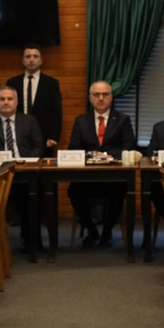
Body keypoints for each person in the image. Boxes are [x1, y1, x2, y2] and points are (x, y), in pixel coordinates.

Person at [0, 87, 45, 258]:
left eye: (9, 99)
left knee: (33, 197)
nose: (6, 102)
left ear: (16, 102)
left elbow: (38, 146)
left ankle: (32, 243)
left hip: (25, 172)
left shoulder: (29, 121)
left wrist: (25, 162)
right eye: (2, 99)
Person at [68, 80, 136, 247]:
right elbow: (73, 149)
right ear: (90, 98)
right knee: (73, 191)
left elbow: (129, 147)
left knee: (118, 191)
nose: (100, 98)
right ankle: (92, 231)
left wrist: (106, 155)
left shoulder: (122, 120)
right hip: (86, 177)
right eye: (96, 95)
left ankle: (107, 233)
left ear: (111, 98)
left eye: (105, 94)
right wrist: (92, 155)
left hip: (113, 176)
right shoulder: (81, 121)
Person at [7, 46, 63, 151]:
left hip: (44, 137)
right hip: (18, 135)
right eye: (28, 56)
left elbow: (56, 112)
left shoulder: (51, 83)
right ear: (23, 61)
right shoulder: (13, 83)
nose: (31, 59)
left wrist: (54, 136)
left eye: (35, 56)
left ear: (41, 60)